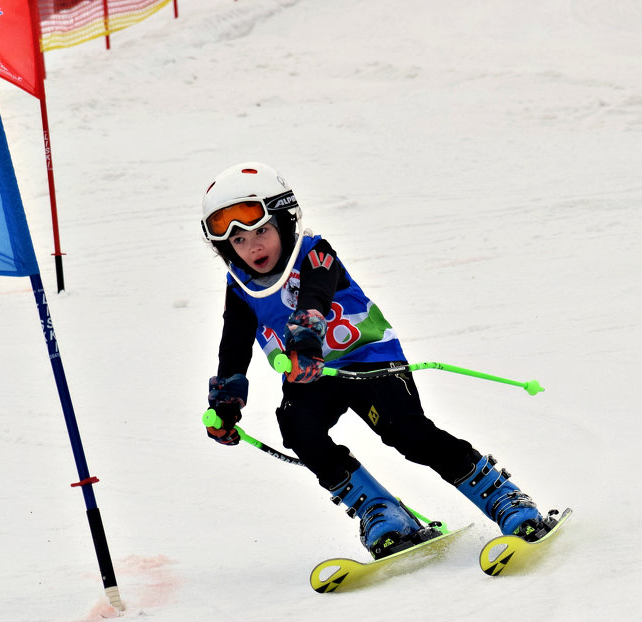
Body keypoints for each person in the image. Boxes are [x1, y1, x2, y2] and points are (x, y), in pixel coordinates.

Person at [202, 162, 559, 559]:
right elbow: (232, 344)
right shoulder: (240, 286)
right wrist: (227, 401)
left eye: (262, 231)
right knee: (298, 427)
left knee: (408, 434)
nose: (253, 248)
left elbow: (315, 298)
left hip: (370, 359)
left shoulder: (315, 252)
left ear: (284, 223)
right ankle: (381, 510)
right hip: (312, 377)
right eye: (238, 242)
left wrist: (304, 341)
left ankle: (504, 500)